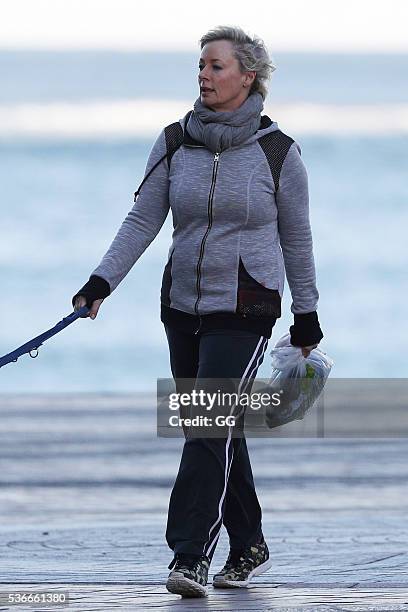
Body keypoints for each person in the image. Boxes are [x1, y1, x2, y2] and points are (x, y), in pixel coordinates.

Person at [72, 25, 324, 598]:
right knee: (211, 425)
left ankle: (190, 556)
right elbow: (142, 219)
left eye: (216, 67)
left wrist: (306, 314)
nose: (204, 76)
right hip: (182, 303)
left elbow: (298, 237)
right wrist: (101, 280)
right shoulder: (173, 141)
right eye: (201, 67)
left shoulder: (278, 152)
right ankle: (250, 540)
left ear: (248, 75)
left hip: (248, 302)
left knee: (208, 421)